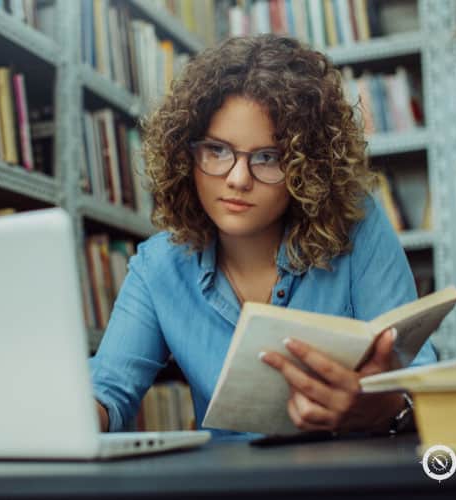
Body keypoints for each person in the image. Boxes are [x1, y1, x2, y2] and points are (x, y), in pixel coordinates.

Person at [89, 34, 436, 439]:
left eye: (268, 157)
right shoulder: (158, 266)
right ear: (186, 156)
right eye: (217, 151)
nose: (238, 179)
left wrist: (387, 409)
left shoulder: (357, 228)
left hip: (350, 475)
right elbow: (108, 391)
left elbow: (420, 379)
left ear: (307, 167)